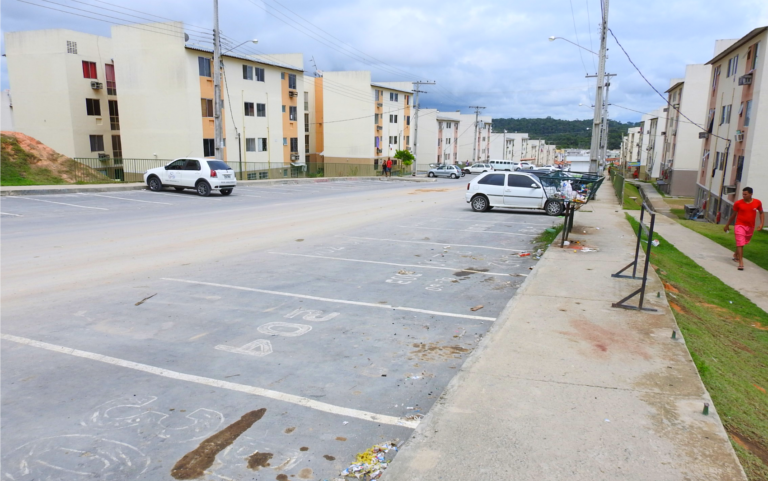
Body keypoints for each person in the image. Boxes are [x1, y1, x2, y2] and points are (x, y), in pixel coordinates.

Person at [723, 187, 764, 271]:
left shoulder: (757, 202)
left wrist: (761, 224)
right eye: (743, 194)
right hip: (739, 225)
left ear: (751, 194)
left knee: (743, 243)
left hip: (750, 227)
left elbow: (761, 213)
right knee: (740, 243)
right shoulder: (738, 203)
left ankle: (736, 254)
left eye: (745, 194)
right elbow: (733, 215)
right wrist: (727, 225)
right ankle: (741, 263)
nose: (744, 196)